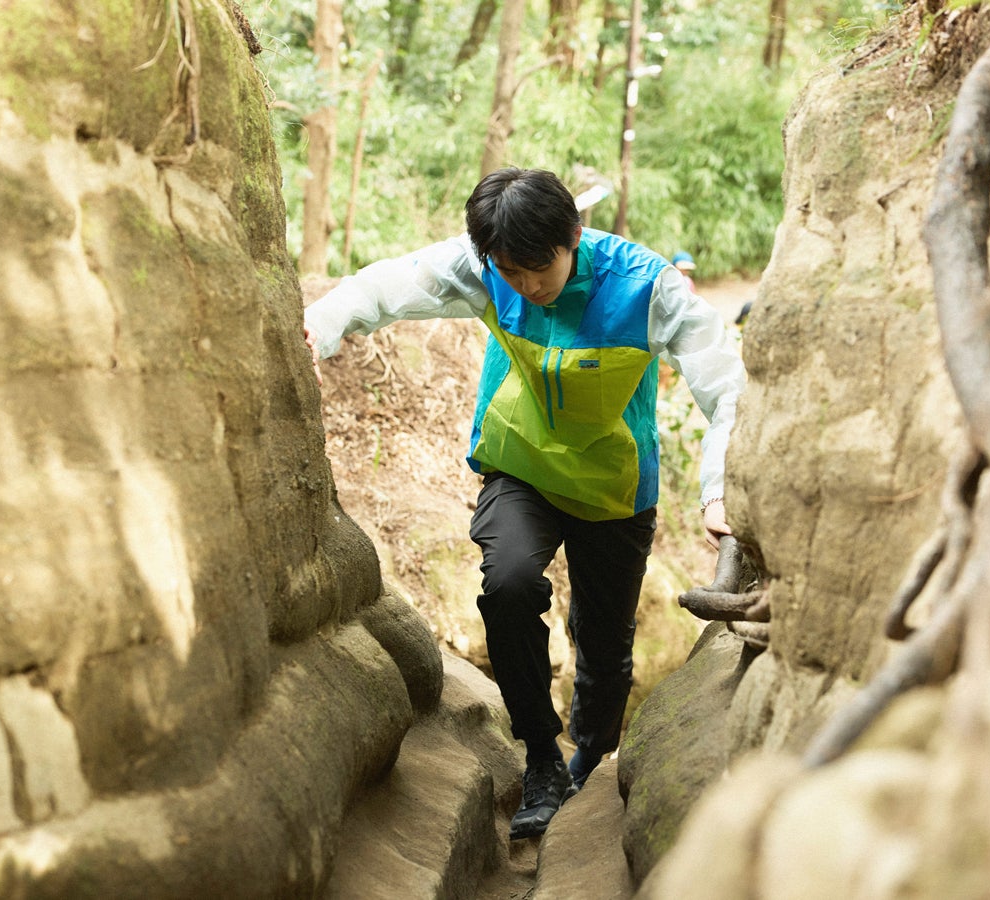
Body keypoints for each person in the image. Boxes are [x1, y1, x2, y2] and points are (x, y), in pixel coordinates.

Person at [303, 167, 744, 840]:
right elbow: (388, 286)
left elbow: (725, 384)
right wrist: (322, 324)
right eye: (509, 272)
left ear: (574, 237)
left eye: (539, 268)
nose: (527, 286)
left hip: (614, 485)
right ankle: (540, 758)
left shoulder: (645, 288)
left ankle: (591, 760)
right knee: (507, 585)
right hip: (522, 464)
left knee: (604, 644)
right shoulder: (488, 268)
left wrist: (718, 490)